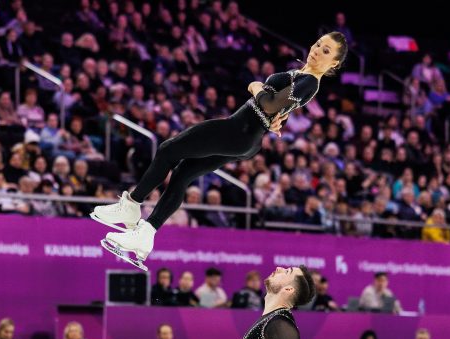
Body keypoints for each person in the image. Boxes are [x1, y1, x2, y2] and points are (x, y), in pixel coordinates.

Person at [93, 33, 348, 268]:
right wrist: (278, 118)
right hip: (247, 138)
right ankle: (146, 235)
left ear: (334, 64)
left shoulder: (310, 81)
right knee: (182, 174)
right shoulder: (302, 75)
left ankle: (131, 204)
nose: (316, 51)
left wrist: (255, 86)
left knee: (168, 149)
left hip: (239, 131)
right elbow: (279, 109)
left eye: (326, 51)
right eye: (317, 44)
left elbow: (269, 104)